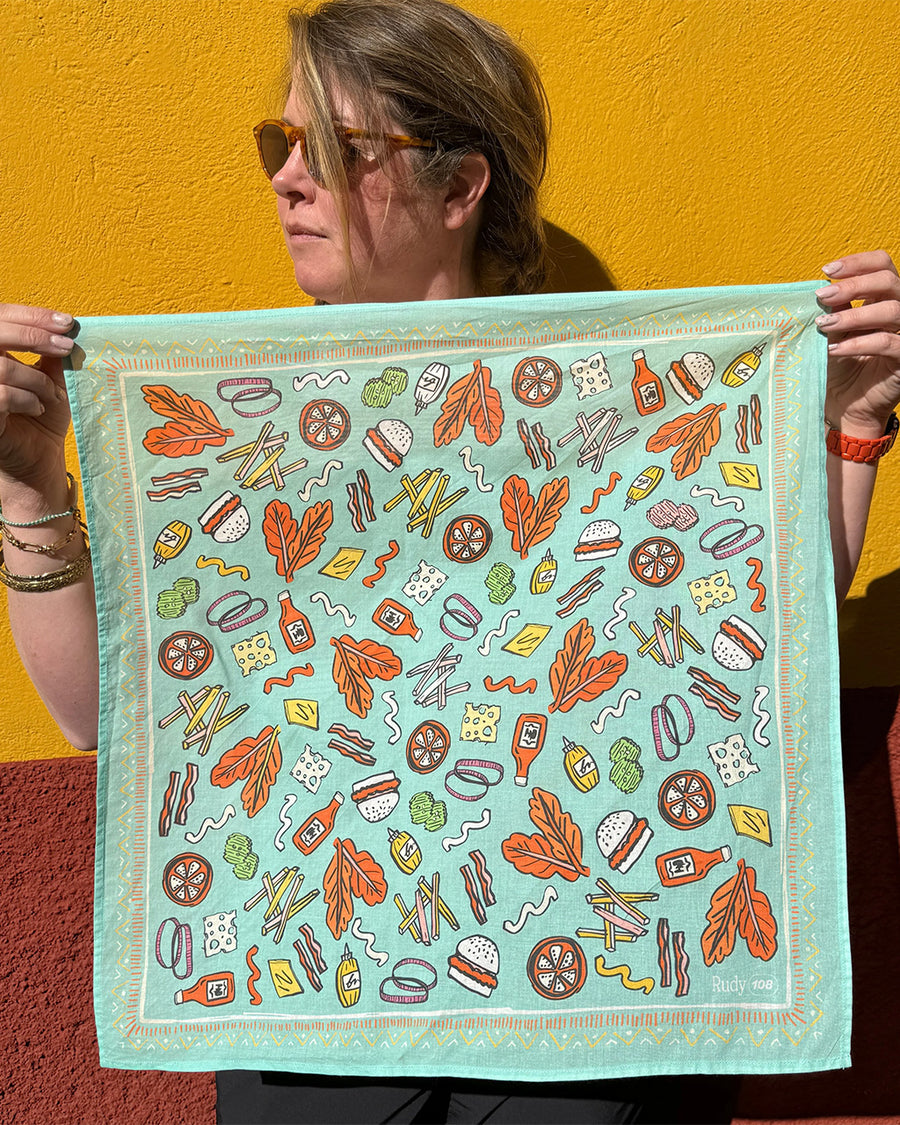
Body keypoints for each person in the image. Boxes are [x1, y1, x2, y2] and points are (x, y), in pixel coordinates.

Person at [0, 1, 898, 1121]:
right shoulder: (226, 436)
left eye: (331, 149)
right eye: (278, 145)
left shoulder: (607, 406)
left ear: (459, 187)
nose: (287, 178)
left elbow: (744, 646)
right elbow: (100, 715)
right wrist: (30, 487)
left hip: (591, 1006)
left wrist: (850, 432)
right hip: (308, 1000)